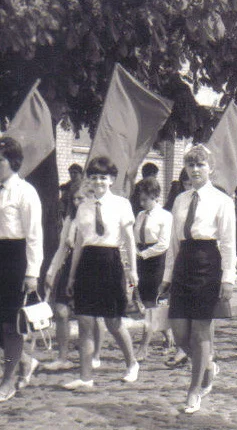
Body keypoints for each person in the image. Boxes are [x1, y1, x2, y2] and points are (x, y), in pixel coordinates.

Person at [157, 145, 236, 414]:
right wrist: (167, 276)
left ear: (210, 168)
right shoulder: (180, 199)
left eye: (200, 165)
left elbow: (227, 243)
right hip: (183, 264)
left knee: (201, 331)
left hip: (208, 262)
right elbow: (173, 243)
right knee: (180, 334)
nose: (195, 170)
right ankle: (209, 365)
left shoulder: (222, 201)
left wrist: (228, 278)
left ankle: (194, 390)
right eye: (190, 165)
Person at [64, 156, 140, 390]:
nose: (98, 181)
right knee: (85, 321)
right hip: (87, 263)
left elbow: (129, 240)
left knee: (113, 321)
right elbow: (78, 244)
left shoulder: (121, 204)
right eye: (94, 177)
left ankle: (132, 363)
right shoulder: (83, 207)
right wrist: (72, 276)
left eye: (103, 177)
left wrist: (132, 271)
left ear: (112, 180)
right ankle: (86, 378)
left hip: (110, 261)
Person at [0, 137, 43, 402]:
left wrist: (32, 272)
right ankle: (25, 361)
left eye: (1, 160)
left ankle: (8, 380)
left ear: (13, 163)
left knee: (10, 325)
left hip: (15, 260)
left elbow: (34, 235)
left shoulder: (25, 191)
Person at [44, 184, 105, 371]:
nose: (77, 202)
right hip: (70, 263)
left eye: (81, 198)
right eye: (74, 199)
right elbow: (62, 247)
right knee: (61, 311)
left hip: (91, 264)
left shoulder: (95, 218)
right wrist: (51, 273)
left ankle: (95, 355)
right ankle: (63, 356)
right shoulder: (70, 220)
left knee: (93, 314)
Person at [133, 177, 174, 360]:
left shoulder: (165, 216)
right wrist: (135, 252)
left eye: (145, 199)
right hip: (141, 259)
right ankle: (170, 338)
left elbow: (164, 244)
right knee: (150, 304)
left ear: (155, 196)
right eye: (140, 199)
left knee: (151, 305)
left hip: (157, 262)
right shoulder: (140, 215)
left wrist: (144, 254)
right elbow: (134, 237)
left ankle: (143, 347)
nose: (142, 203)